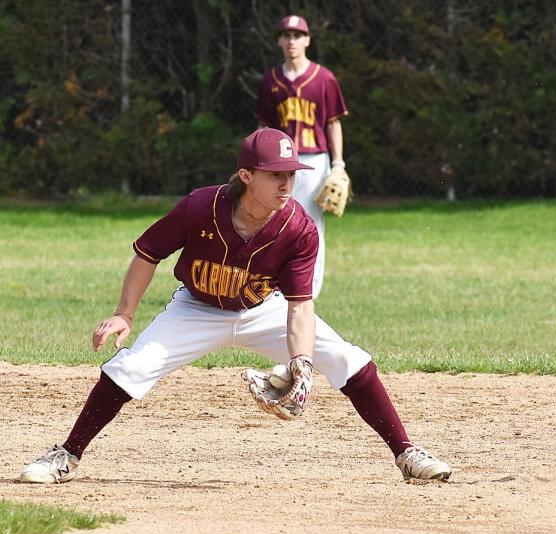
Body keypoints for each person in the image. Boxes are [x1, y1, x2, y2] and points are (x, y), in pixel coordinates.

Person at [18, 128, 450, 484]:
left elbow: (300, 305)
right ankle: (66, 455)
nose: (287, 183)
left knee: (344, 357)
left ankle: (407, 453)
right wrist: (124, 314)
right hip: (196, 308)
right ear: (246, 175)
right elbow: (148, 253)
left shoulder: (298, 228)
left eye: (291, 173)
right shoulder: (200, 207)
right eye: (275, 174)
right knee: (131, 367)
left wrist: (300, 361)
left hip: (263, 309)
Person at [255, 14, 346, 298]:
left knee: (310, 225)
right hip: (278, 164)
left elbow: (333, 123)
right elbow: (264, 128)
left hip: (314, 161)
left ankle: (308, 290)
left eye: (298, 35)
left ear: (307, 40)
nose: (292, 40)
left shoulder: (324, 79)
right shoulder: (270, 80)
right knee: (273, 221)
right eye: (287, 35)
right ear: (280, 41)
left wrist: (338, 165)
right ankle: (273, 287)